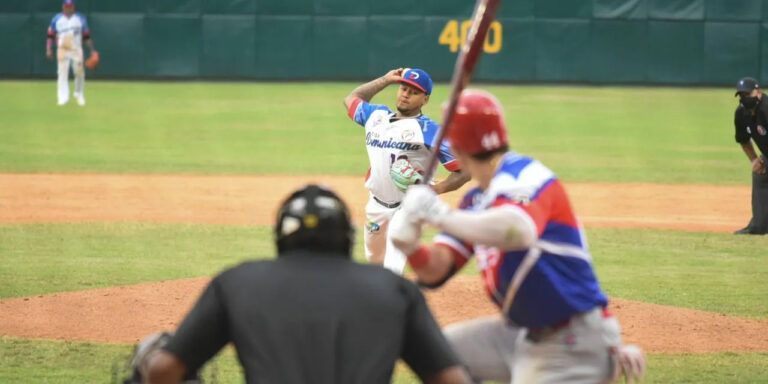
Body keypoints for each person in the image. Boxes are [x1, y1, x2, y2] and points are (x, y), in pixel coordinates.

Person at [389, 90, 646, 384]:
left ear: (456, 147)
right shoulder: (475, 201)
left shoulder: (526, 177)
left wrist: (439, 214)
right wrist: (410, 246)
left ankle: (599, 356)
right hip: (521, 331)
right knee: (436, 352)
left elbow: (517, 230)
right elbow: (435, 270)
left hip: (573, 338)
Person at [142, 185, 471, 384]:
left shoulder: (237, 282)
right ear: (346, 236)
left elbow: (164, 371)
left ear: (282, 235)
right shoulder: (395, 290)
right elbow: (451, 380)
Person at [343, 67, 470, 274]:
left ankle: (390, 303)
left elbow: (465, 171)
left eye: (414, 92)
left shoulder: (430, 131)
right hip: (376, 204)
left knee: (393, 265)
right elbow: (352, 98)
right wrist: (385, 79)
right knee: (374, 259)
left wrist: (437, 189)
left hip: (409, 206)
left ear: (425, 99)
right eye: (403, 88)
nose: (406, 94)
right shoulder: (376, 116)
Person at [732, 77, 768, 235]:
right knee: (759, 173)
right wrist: (754, 159)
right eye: (742, 95)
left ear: (758, 92)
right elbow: (743, 139)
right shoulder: (741, 113)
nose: (745, 99)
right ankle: (759, 226)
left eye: (748, 94)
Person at [46, 0, 97, 106]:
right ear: (63, 7)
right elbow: (50, 34)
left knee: (79, 73)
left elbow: (86, 36)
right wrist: (49, 48)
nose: (68, 8)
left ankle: (79, 94)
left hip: (76, 49)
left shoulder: (80, 18)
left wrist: (92, 50)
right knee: (62, 73)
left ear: (74, 7)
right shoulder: (57, 19)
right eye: (66, 6)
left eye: (70, 6)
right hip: (62, 49)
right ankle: (63, 97)